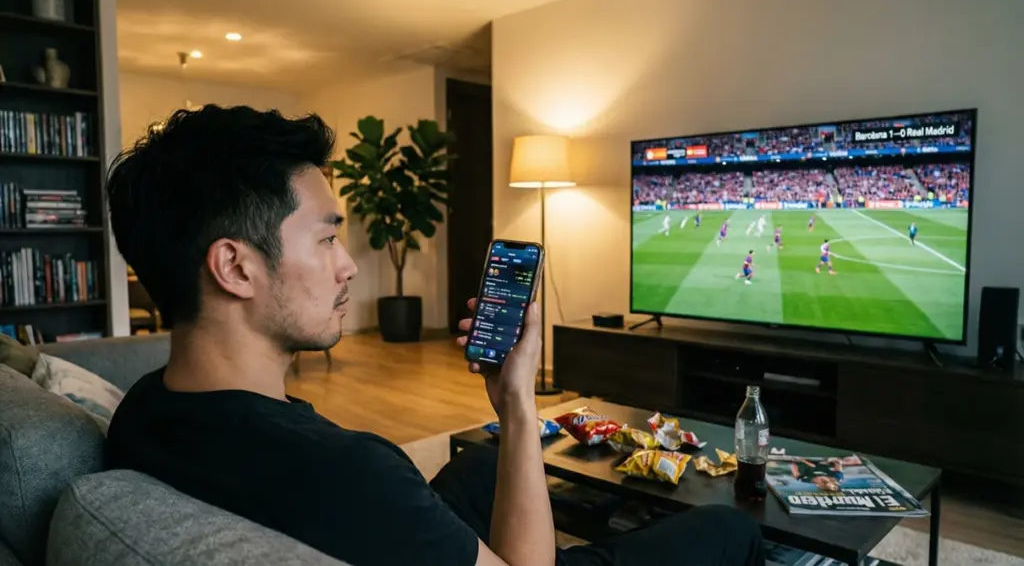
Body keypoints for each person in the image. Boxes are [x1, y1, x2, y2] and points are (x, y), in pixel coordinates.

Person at [103, 105, 765, 566]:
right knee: (729, 527)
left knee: (481, 463)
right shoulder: (354, 471)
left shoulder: (140, 412)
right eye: (329, 236)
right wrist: (515, 399)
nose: (349, 264)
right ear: (235, 266)